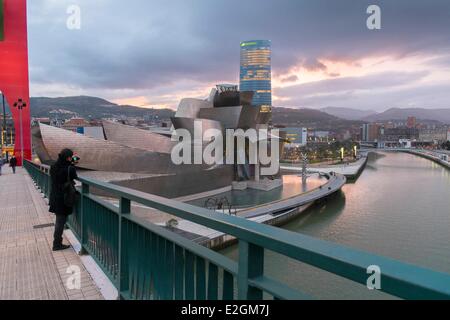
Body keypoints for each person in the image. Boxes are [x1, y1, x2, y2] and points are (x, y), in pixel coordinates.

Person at [49, 148, 78, 251]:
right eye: (71, 157)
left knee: (59, 220)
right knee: (60, 222)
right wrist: (73, 165)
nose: (72, 158)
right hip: (64, 198)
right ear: (68, 157)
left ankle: (57, 242)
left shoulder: (53, 166)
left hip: (55, 196)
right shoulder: (69, 168)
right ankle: (56, 244)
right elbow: (74, 176)